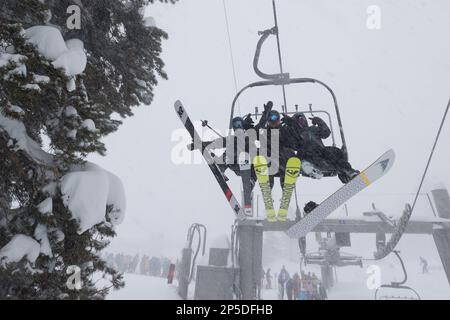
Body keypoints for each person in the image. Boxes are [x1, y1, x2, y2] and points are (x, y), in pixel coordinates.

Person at [281, 112, 359, 184]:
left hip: (321, 152)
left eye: (303, 120)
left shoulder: (313, 129)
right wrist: (288, 126)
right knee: (298, 160)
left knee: (335, 152)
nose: (302, 122)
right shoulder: (292, 132)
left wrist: (320, 122)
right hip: (305, 154)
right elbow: (287, 142)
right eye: (299, 120)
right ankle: (311, 170)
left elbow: (326, 133)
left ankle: (348, 173)